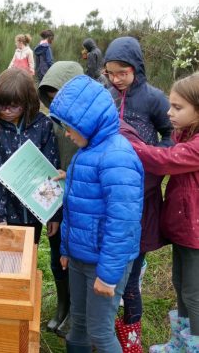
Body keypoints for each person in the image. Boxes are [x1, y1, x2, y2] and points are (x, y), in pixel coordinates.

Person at [49, 75, 144, 353]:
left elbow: (123, 222)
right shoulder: (86, 151)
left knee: (100, 332)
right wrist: (65, 249)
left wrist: (108, 274)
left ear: (88, 121)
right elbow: (78, 207)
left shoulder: (118, 157)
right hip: (79, 257)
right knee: (78, 323)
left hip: (103, 263)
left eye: (69, 126)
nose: (66, 133)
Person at [104, 36, 173, 348]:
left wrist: (155, 158)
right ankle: (108, 328)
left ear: (136, 68)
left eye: (123, 72)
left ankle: (131, 338)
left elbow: (171, 133)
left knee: (131, 277)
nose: (117, 79)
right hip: (113, 195)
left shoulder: (154, 99)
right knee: (113, 266)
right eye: (110, 73)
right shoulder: (108, 96)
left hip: (143, 197)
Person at [127, 73, 199, 353]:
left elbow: (164, 160)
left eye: (178, 108)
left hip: (194, 232)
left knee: (193, 293)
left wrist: (132, 146)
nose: (169, 113)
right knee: (181, 285)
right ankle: (180, 343)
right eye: (170, 105)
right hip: (185, 228)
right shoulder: (186, 134)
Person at [0, 68, 60, 244]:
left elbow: (51, 170)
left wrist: (53, 214)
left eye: (14, 106)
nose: (6, 111)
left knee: (29, 255)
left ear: (27, 102)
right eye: (1, 105)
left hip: (35, 210)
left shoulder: (43, 125)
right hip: (7, 212)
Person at [38, 61, 84, 338]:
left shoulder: (90, 125)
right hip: (58, 202)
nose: (58, 105)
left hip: (83, 203)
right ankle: (63, 306)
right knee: (57, 258)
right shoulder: (52, 125)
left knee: (78, 261)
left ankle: (78, 314)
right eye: (52, 100)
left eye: (62, 98)